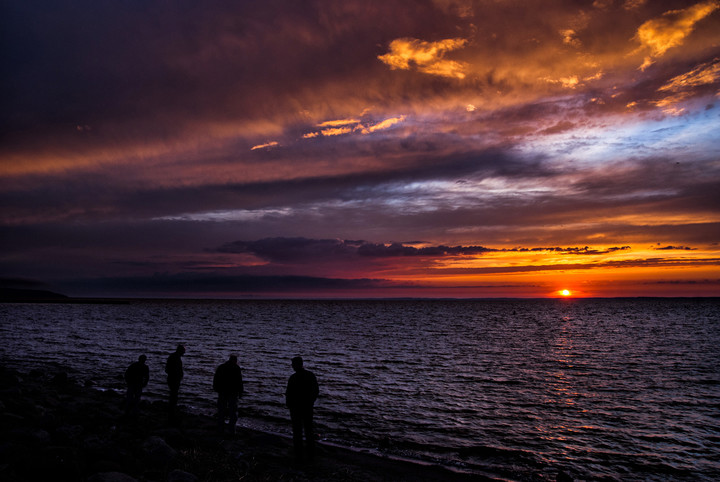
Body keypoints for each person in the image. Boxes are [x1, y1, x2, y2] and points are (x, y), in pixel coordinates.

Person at [285, 356, 319, 463]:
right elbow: (315, 390)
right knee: (308, 429)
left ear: (297, 364)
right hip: (306, 407)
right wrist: (311, 402)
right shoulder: (309, 375)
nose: (292, 366)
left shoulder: (293, 378)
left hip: (297, 408)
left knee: (298, 430)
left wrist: (290, 404)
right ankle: (310, 452)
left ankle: (299, 453)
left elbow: (288, 393)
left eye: (293, 364)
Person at [213, 354, 244, 434]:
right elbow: (239, 381)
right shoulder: (236, 368)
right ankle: (231, 430)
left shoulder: (221, 367)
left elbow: (216, 378)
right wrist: (240, 392)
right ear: (235, 360)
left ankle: (220, 429)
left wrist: (216, 388)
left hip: (222, 391)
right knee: (233, 412)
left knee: (221, 411)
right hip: (232, 392)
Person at [165, 344, 185, 420]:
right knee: (174, 395)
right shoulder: (175, 358)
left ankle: (172, 410)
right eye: (183, 351)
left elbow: (167, 369)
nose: (184, 353)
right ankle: (171, 412)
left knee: (173, 394)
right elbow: (168, 369)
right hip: (174, 379)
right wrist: (176, 375)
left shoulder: (174, 357)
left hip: (173, 379)